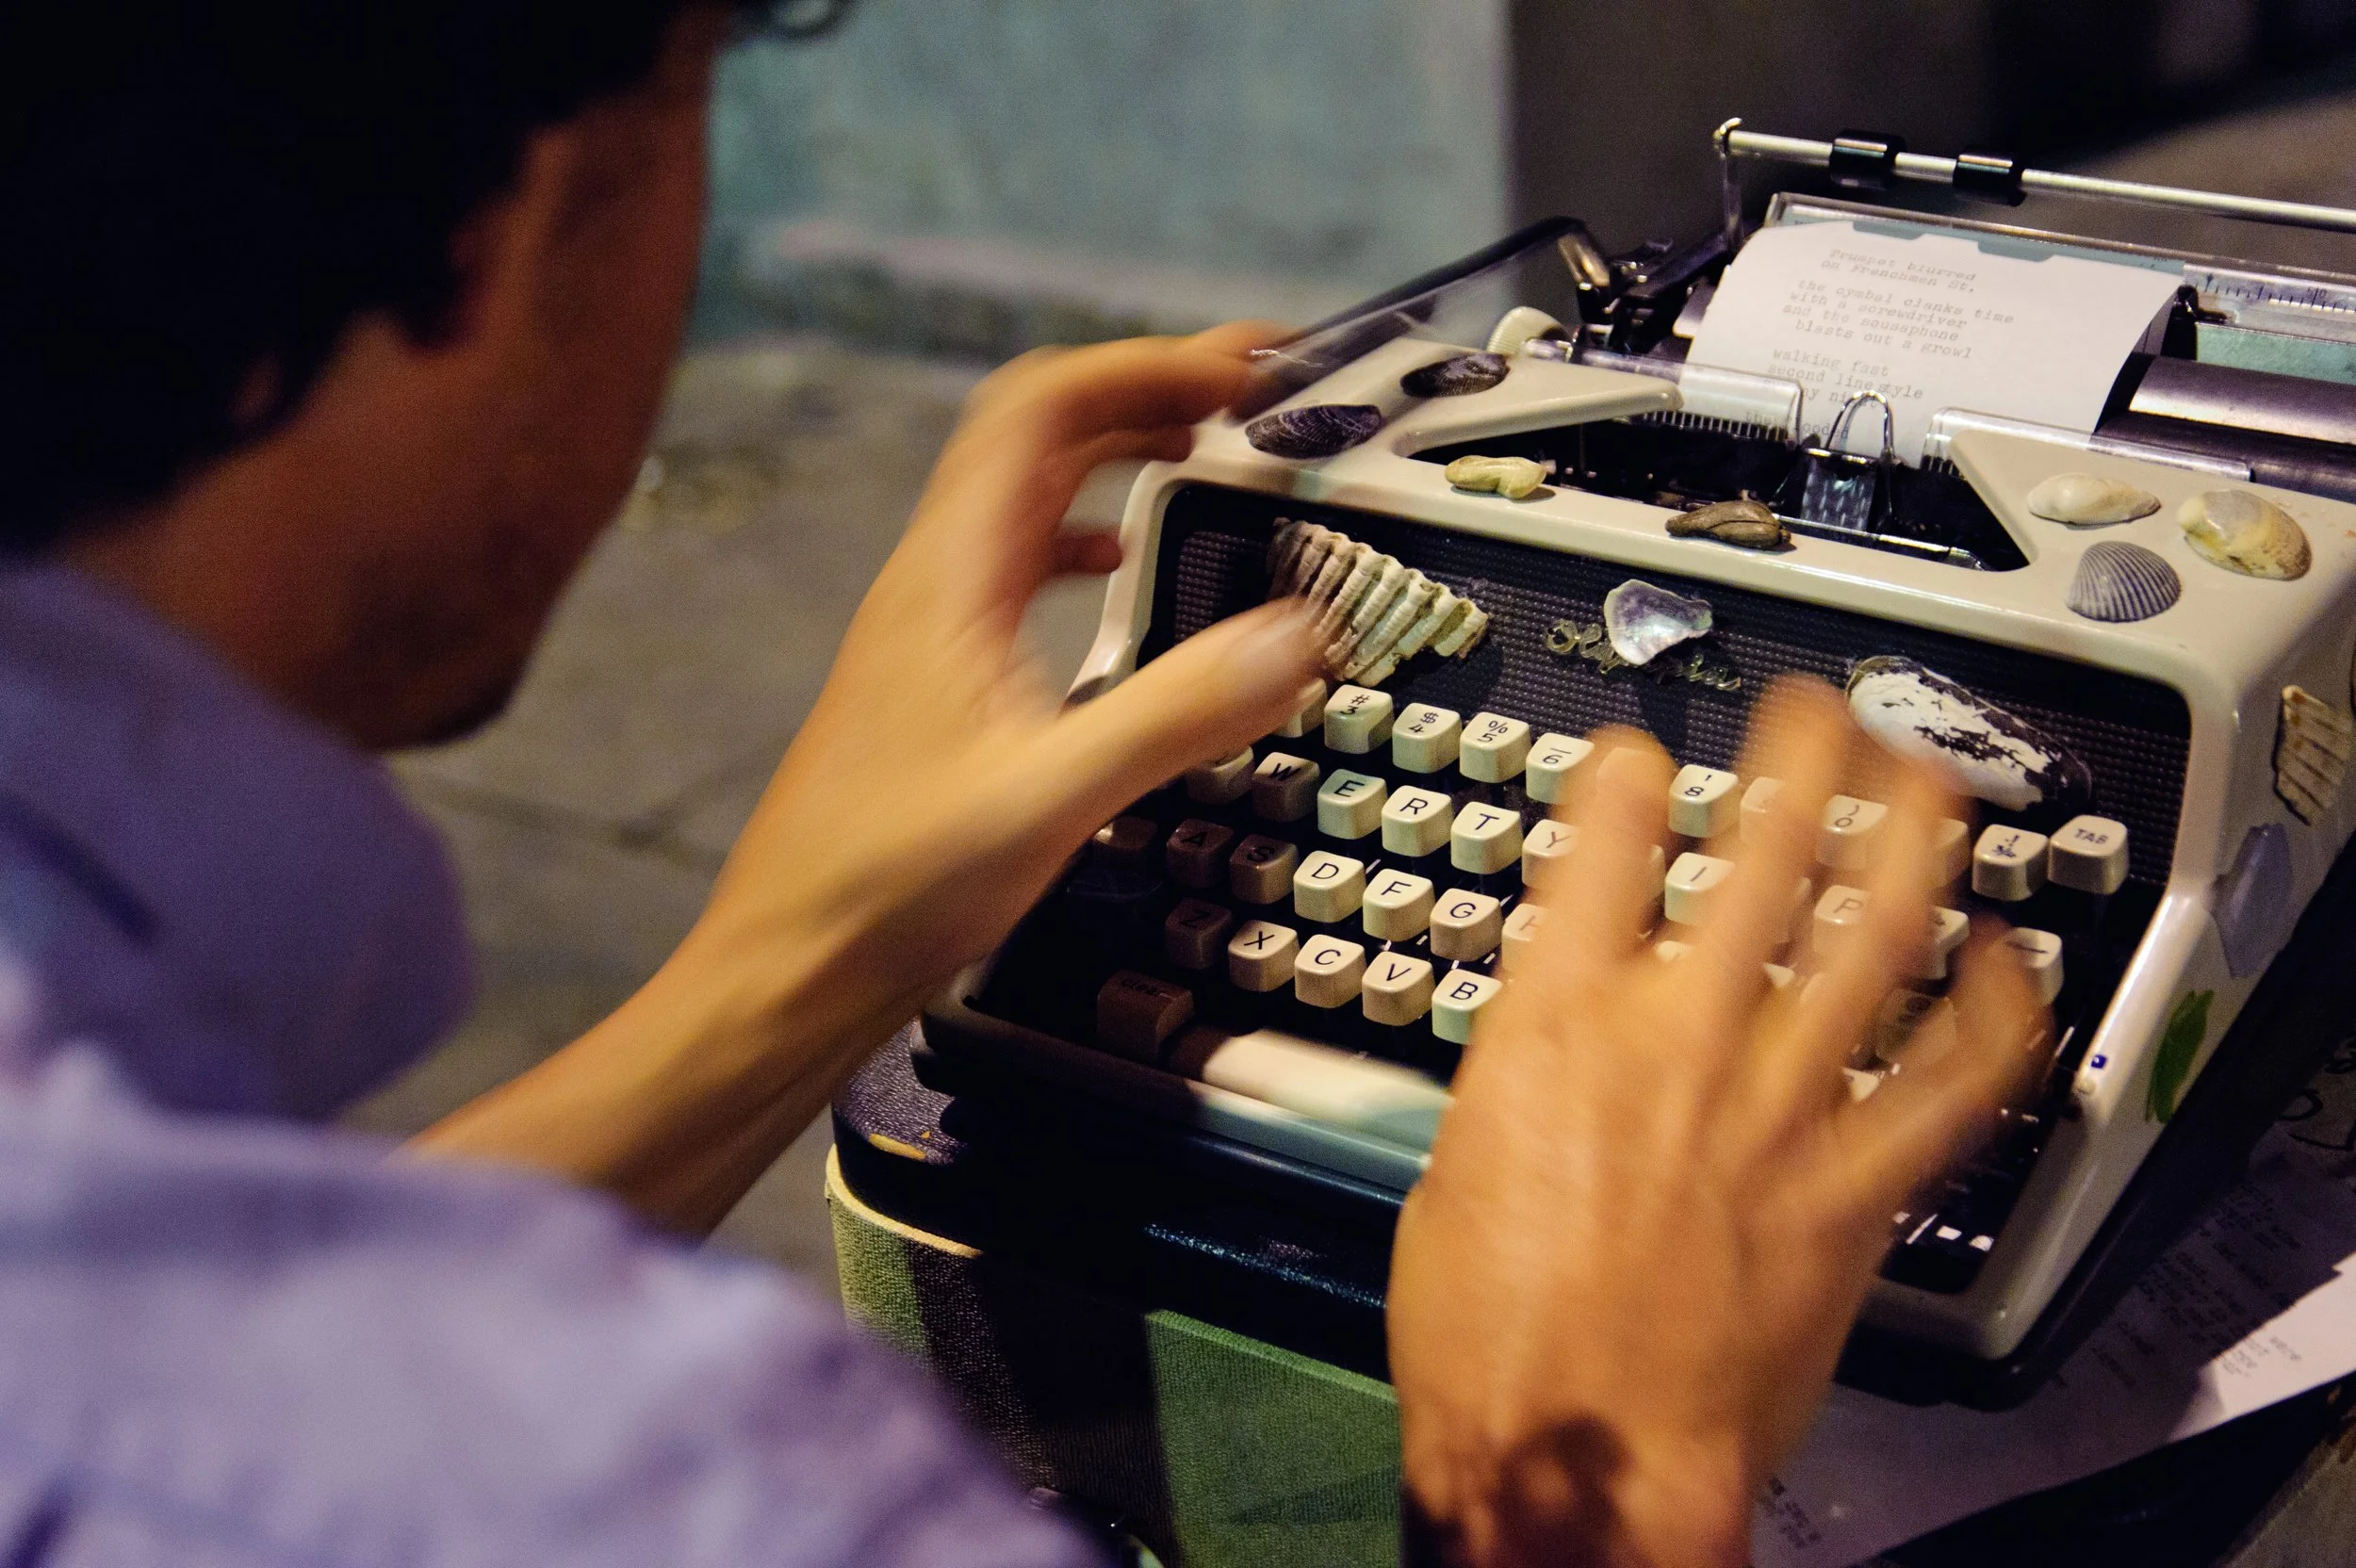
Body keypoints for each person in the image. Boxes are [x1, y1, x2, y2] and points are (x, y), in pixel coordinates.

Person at [0, 2, 2042, 1563]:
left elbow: (246, 1319)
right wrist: (1589, 1489)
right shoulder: (689, 1486)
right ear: (508, 222)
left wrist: (783, 967)